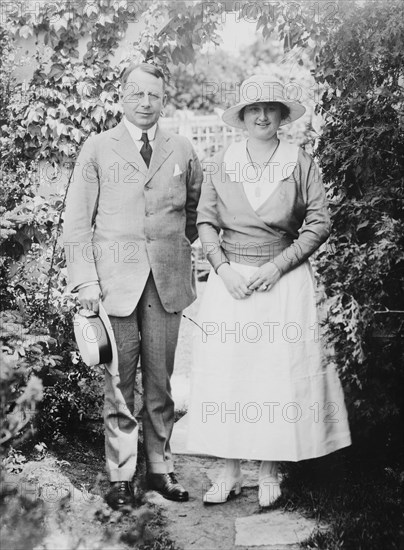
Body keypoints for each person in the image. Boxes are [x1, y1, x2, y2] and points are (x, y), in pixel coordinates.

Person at [186, 75, 351, 507]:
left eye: (270, 108)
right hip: (232, 284)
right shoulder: (222, 161)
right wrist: (222, 269)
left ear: (281, 115)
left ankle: (270, 469)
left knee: (276, 375)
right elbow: (206, 220)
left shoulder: (300, 161)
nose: (262, 115)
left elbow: (319, 222)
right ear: (241, 116)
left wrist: (278, 266)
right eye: (253, 108)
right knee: (228, 374)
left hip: (284, 280)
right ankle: (228, 469)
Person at [63, 62, 202, 509]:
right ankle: (121, 476)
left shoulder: (181, 148)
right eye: (137, 94)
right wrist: (85, 278)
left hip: (166, 284)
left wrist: (171, 249)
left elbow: (196, 212)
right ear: (121, 96)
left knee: (160, 382)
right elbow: (77, 220)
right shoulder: (99, 148)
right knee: (120, 383)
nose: (145, 103)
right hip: (113, 285)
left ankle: (159, 470)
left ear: (164, 99)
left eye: (154, 96)